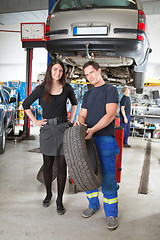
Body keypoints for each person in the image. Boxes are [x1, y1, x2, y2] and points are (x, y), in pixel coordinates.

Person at [22, 59, 77, 215]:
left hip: (62, 129)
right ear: (50, 71)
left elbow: (74, 103)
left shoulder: (67, 88)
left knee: (61, 167)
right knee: (47, 165)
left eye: (60, 70)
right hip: (46, 130)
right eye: (55, 70)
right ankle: (48, 194)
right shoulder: (41, 89)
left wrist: (71, 119)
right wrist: (35, 121)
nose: (57, 73)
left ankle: (59, 200)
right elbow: (25, 105)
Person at [76, 61, 120, 230]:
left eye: (92, 72)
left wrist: (92, 130)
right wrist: (81, 125)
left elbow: (110, 115)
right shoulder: (87, 95)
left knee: (108, 178)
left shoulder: (110, 90)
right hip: (88, 139)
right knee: (88, 174)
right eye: (87, 75)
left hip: (104, 139)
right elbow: (82, 115)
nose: (90, 77)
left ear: (99, 71)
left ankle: (110, 213)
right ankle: (93, 204)